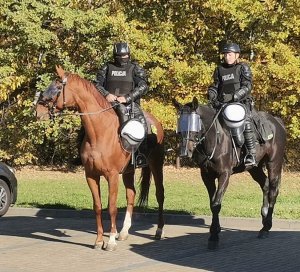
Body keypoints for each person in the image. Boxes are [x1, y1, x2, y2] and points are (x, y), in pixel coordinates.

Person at [94, 42, 149, 166]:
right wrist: (106, 94)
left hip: (130, 105)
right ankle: (82, 153)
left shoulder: (135, 68)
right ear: (115, 56)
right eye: (121, 56)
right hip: (107, 104)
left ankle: (140, 155)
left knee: (142, 125)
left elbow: (143, 86)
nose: (124, 58)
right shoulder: (106, 67)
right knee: (88, 122)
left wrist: (127, 98)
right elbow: (96, 84)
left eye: (126, 55)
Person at [207, 42, 256, 166]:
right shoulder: (219, 69)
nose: (227, 57)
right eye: (225, 54)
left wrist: (235, 96)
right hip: (222, 103)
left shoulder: (243, 67)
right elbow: (216, 85)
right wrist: (211, 93)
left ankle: (251, 154)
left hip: (241, 103)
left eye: (229, 54)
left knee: (245, 122)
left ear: (237, 55)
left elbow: (248, 86)